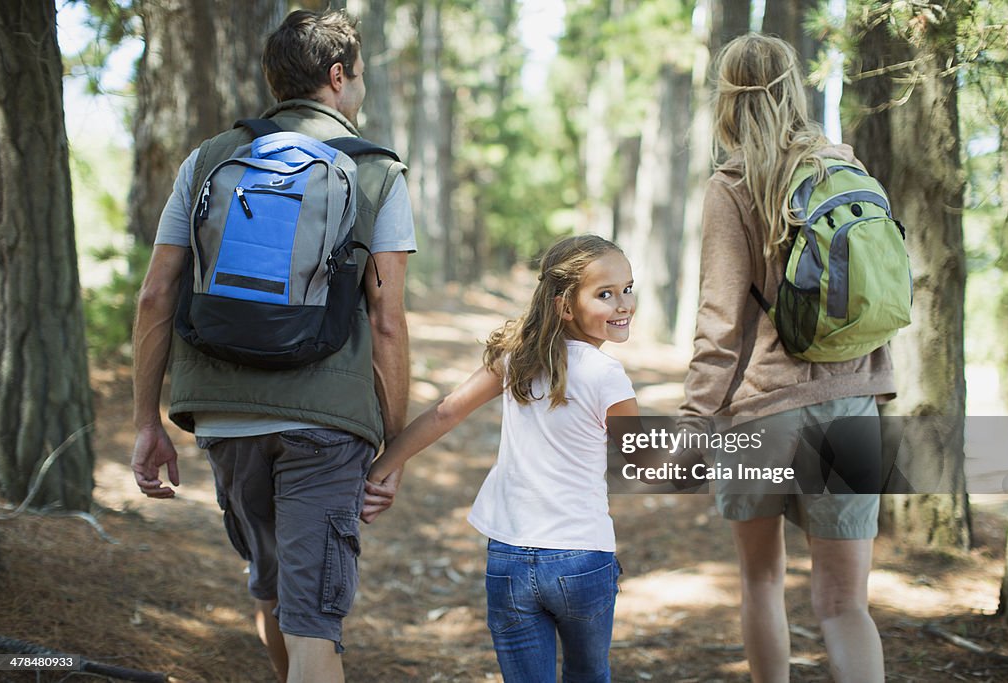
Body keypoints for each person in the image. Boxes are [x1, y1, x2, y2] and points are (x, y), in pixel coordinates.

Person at [129, 10, 414, 683]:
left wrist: (147, 421)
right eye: (360, 73)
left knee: (271, 586)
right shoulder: (375, 170)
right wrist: (393, 444)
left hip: (224, 414)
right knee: (314, 621)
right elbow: (388, 321)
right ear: (339, 75)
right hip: (325, 423)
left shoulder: (209, 159)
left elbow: (155, 295)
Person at [679, 34, 894, 683]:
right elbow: (876, 291)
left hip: (759, 412)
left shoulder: (733, 184)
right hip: (848, 407)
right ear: (793, 87)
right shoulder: (846, 170)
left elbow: (721, 319)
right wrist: (875, 386)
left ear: (729, 96)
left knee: (761, 581)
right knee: (844, 603)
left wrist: (695, 419)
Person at [366, 235, 639, 682]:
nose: (623, 304)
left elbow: (446, 411)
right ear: (565, 307)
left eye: (627, 288)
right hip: (580, 561)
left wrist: (381, 468)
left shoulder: (518, 358)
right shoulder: (607, 375)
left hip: (509, 558)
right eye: (605, 294)